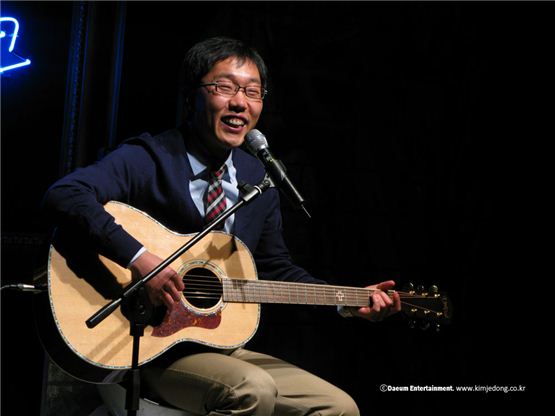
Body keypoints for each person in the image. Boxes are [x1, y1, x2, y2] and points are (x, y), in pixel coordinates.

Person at [42, 36, 401, 416]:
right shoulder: (150, 157)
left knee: (339, 407)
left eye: (252, 91)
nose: (239, 103)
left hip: (214, 347)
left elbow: (274, 268)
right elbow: (66, 194)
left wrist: (347, 301)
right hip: (141, 344)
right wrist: (140, 259)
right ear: (191, 95)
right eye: (224, 87)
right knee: (252, 390)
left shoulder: (256, 179)